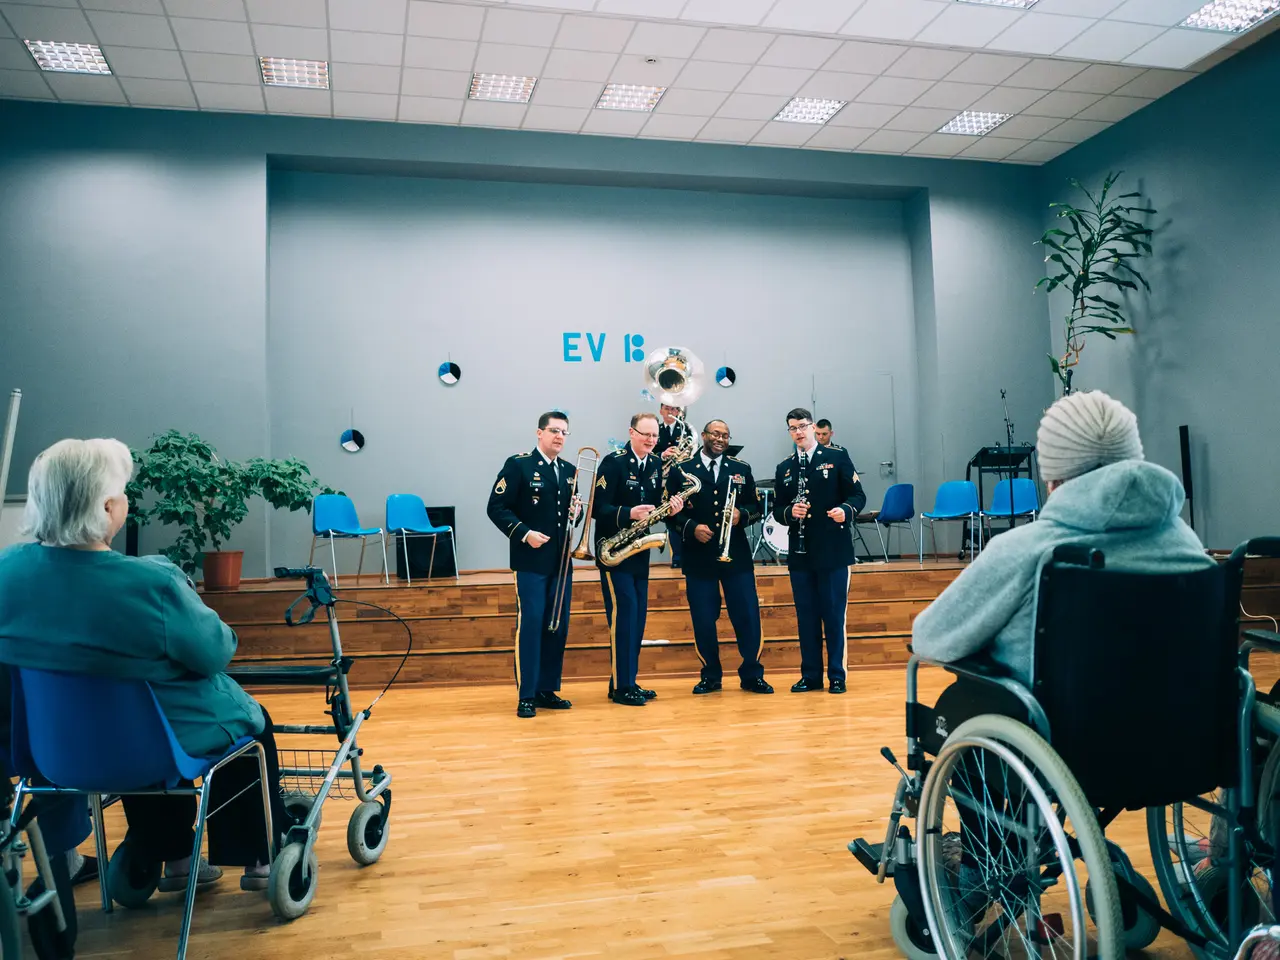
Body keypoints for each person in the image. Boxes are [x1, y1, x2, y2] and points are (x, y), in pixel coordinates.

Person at [0, 438, 292, 892]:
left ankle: (176, 861)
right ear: (108, 506)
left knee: (139, 721)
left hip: (51, 752)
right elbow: (215, 653)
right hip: (146, 749)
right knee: (246, 726)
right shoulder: (151, 581)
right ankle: (257, 861)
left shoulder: (7, 571)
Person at [912, 390, 1214, 684]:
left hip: (1062, 730)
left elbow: (930, 637)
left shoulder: (1023, 552)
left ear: (1052, 476)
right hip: (1190, 727)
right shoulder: (1187, 545)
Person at [486, 411, 581, 719]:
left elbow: (570, 516)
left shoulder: (569, 470)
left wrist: (577, 512)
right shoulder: (519, 465)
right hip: (531, 560)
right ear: (539, 433)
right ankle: (526, 694)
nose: (559, 436)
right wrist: (524, 534)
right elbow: (496, 507)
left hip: (562, 560)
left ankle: (547, 689)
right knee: (532, 623)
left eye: (564, 432)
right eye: (554, 430)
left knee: (558, 624)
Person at [671, 420, 772, 695]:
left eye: (725, 435)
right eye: (715, 434)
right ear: (703, 436)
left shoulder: (741, 469)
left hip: (736, 556)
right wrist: (691, 528)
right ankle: (710, 674)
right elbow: (670, 513)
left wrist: (742, 515)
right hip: (698, 558)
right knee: (703, 619)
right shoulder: (682, 470)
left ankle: (752, 674)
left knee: (748, 616)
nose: (721, 439)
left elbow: (756, 507)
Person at [773, 408, 866, 695]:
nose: (798, 432)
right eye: (793, 428)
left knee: (834, 615)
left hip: (833, 551)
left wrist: (845, 510)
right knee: (807, 616)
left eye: (802, 426)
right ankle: (810, 675)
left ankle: (837, 675)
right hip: (801, 554)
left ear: (813, 427)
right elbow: (778, 510)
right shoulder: (785, 468)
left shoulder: (836, 458)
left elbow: (858, 496)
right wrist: (791, 511)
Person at [594, 412, 683, 705]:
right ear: (631, 433)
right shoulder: (613, 462)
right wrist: (628, 513)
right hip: (614, 551)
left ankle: (626, 680)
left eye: (655, 436)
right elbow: (598, 507)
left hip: (639, 551)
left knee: (637, 618)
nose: (651, 440)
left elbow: (655, 502)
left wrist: (670, 508)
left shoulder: (656, 463)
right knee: (625, 616)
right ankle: (622, 688)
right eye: (646, 435)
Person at [655, 403, 689, 569]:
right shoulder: (655, 429)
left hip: (682, 479)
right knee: (670, 517)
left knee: (684, 515)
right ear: (661, 410)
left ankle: (686, 555)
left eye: (675, 409)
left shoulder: (687, 430)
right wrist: (662, 454)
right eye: (667, 408)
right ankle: (677, 556)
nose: (671, 412)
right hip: (660, 480)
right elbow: (644, 452)